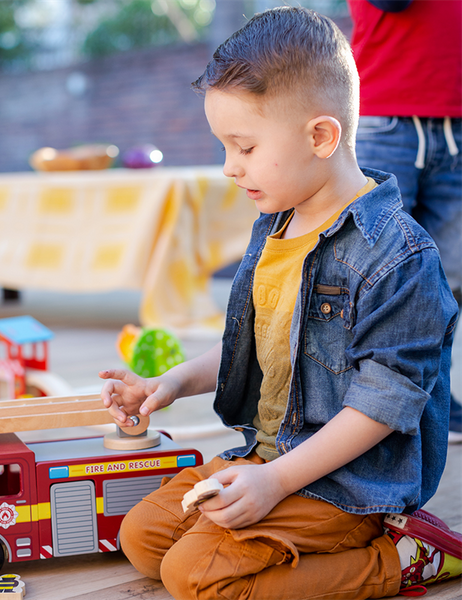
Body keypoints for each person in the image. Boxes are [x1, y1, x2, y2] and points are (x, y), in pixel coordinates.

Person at [99, 8, 461, 599]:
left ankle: (402, 558)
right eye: (224, 146)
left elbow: (382, 404)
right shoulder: (275, 227)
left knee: (193, 578)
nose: (228, 167)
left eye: (243, 146)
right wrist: (169, 382)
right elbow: (261, 343)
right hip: (268, 454)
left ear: (320, 136)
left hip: (346, 482)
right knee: (142, 540)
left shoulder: (398, 256)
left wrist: (275, 483)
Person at [347, 0, 462, 443]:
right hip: (385, 118)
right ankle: (355, 404)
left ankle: (428, 400)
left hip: (454, 118)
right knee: (372, 270)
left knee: (448, 279)